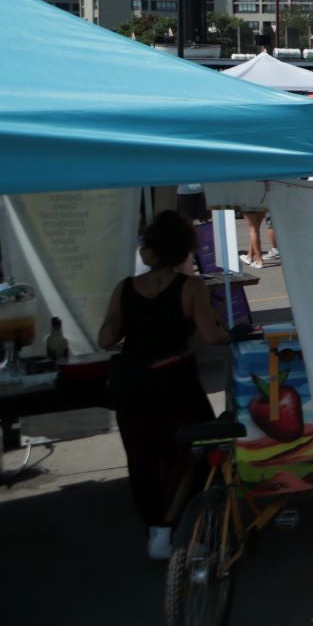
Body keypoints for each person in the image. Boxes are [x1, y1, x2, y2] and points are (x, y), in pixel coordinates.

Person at [99, 211, 230, 559]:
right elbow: (211, 335)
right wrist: (234, 335)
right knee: (191, 454)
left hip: (134, 388)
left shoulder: (125, 288)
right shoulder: (192, 287)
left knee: (142, 460)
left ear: (152, 251)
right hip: (178, 387)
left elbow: (106, 338)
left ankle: (157, 531)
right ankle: (188, 530)